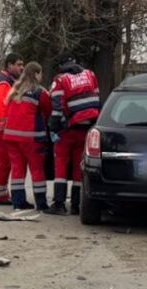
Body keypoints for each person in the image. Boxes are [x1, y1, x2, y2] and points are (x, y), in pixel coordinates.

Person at [46, 56, 101, 215]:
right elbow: (97, 98)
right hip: (87, 127)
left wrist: (54, 129)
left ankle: (59, 203)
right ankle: (76, 205)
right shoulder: (90, 75)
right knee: (79, 167)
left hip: (68, 128)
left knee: (61, 165)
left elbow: (57, 108)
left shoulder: (60, 80)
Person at [1, 62, 51, 210]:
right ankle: (41, 203)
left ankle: (18, 202)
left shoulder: (15, 89)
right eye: (40, 73)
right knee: (37, 170)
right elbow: (48, 111)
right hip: (31, 137)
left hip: (10, 136)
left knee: (17, 169)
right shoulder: (39, 92)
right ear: (36, 74)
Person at [0, 53, 25, 206]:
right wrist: (9, 126)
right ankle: (0, 196)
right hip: (2, 129)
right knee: (4, 163)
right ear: (9, 65)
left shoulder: (7, 82)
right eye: (18, 64)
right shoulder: (4, 83)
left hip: (1, 128)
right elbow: (4, 107)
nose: (21, 67)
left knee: (5, 163)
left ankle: (1, 194)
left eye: (22, 64)